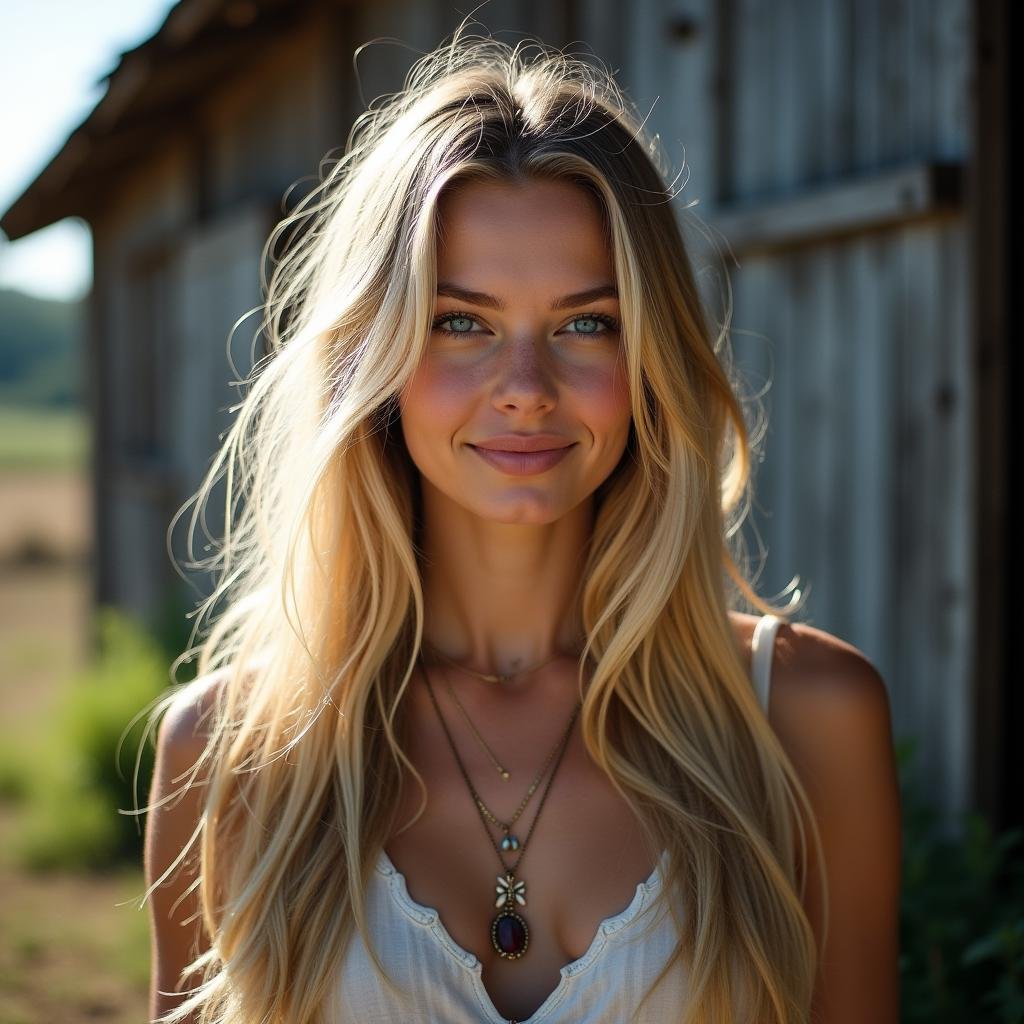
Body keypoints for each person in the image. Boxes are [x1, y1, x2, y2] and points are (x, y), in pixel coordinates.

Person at [142, 23, 901, 1024]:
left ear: (648, 361)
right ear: (373, 358)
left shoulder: (804, 717)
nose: (525, 389)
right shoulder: (233, 754)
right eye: (462, 321)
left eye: (586, 322)